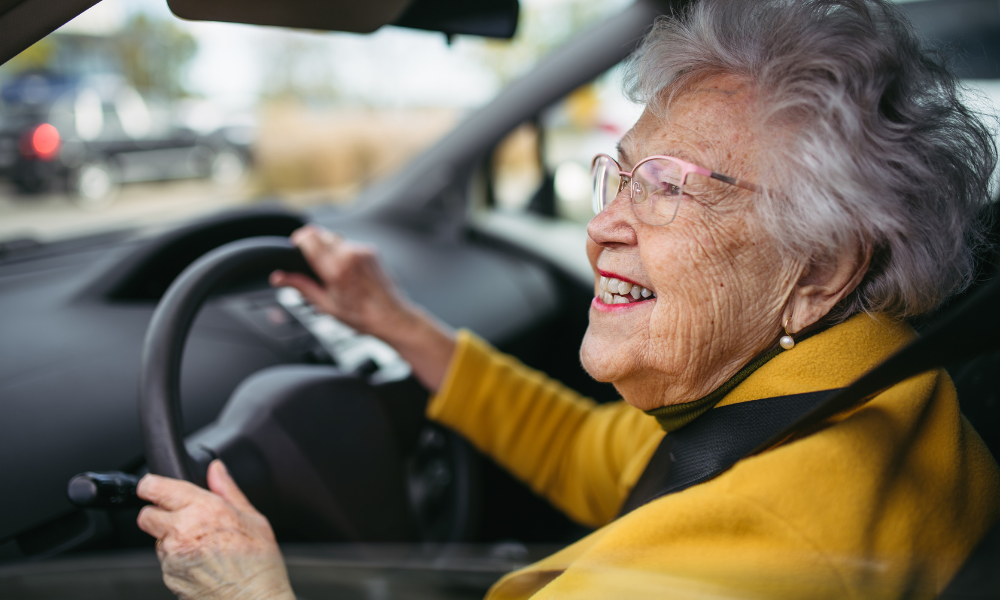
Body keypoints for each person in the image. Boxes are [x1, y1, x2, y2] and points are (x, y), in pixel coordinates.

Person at [134, 0, 1000, 597]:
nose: (604, 228)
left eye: (666, 187)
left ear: (819, 269)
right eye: (617, 177)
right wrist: (398, 324)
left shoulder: (740, 560)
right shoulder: (858, 382)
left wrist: (251, 589)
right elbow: (601, 455)